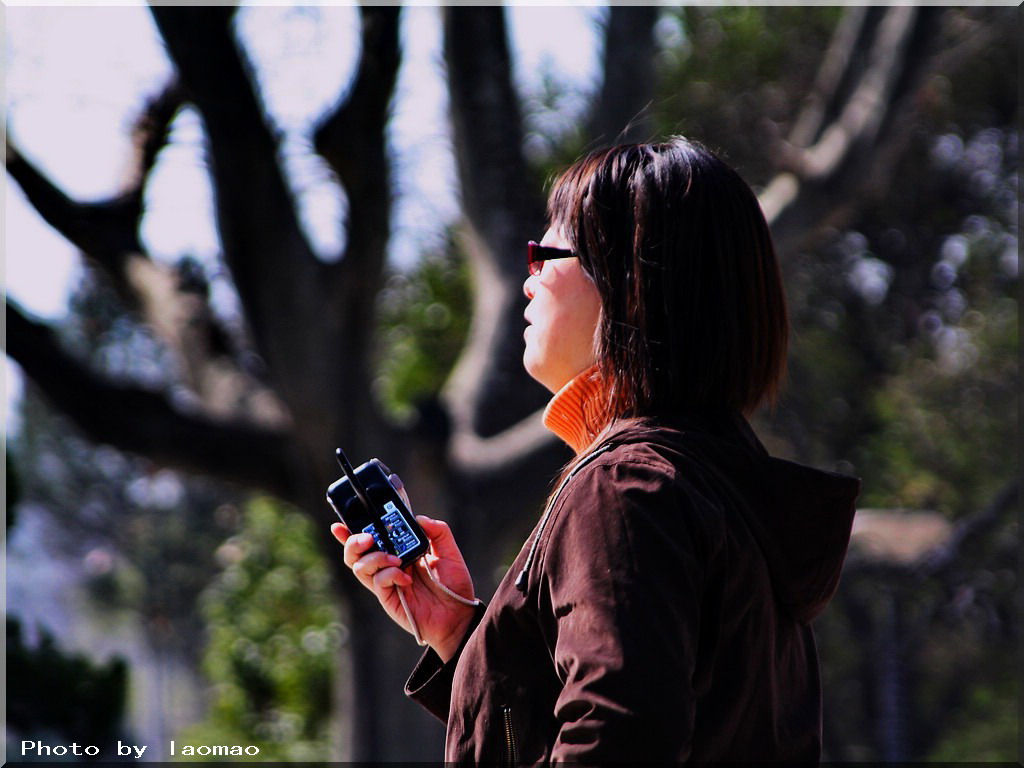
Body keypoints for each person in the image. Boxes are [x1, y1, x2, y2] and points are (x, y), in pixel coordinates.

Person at [331, 138, 861, 764]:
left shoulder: (625, 488)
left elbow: (617, 737)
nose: (528, 277)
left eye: (546, 253)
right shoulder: (717, 486)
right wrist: (457, 635)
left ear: (630, 281)